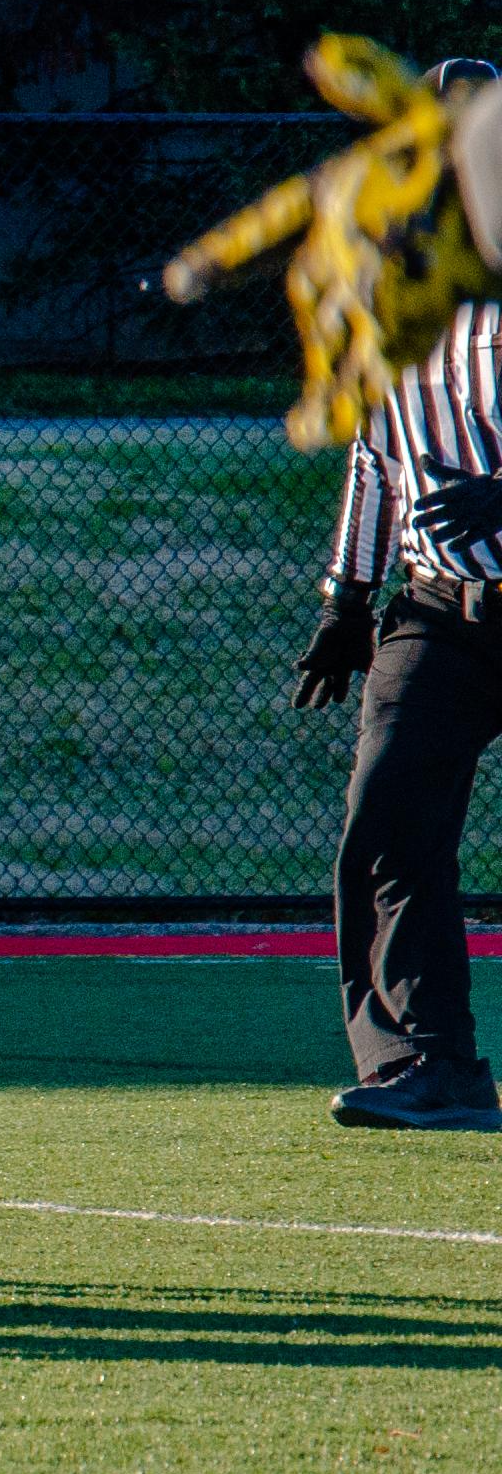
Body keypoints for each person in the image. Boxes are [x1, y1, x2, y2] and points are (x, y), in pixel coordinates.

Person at [299, 56, 502, 1131]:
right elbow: (374, 455)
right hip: (439, 610)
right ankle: (427, 1068)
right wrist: (345, 598)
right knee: (383, 826)